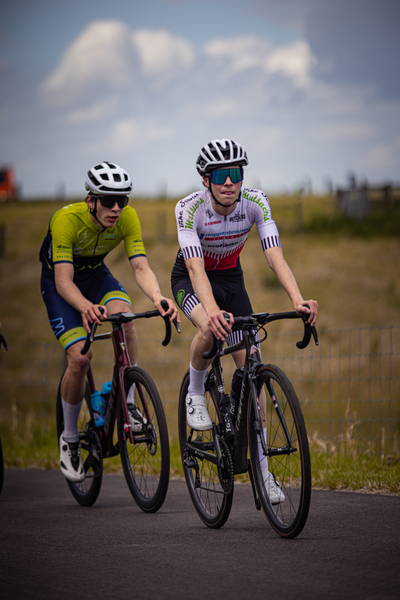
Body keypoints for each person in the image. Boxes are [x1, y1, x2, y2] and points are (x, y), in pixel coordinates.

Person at [171, 138, 318, 503]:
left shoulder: (256, 202)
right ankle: (195, 390)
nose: (229, 182)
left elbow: (275, 255)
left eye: (235, 173)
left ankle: (263, 473)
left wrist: (298, 300)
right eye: (220, 175)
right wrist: (212, 312)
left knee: (253, 369)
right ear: (206, 180)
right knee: (209, 326)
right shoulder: (189, 209)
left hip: (232, 280)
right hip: (191, 278)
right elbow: (194, 267)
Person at [40, 161, 179, 483]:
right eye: (108, 200)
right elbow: (63, 281)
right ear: (91, 200)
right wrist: (86, 307)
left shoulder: (127, 218)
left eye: (123, 200)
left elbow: (141, 267)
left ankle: (127, 403)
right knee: (80, 359)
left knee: (126, 321)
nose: (116, 208)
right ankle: (70, 439)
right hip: (61, 286)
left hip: (97, 276)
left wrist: (158, 297)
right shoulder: (65, 220)